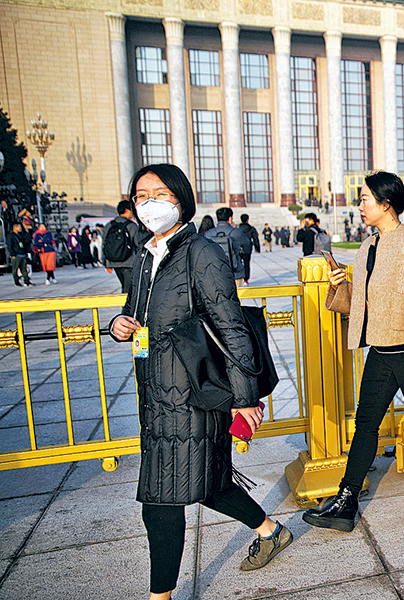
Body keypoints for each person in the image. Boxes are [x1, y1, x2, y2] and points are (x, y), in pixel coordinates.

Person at [109, 164, 292, 600]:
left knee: (161, 500)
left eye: (160, 194)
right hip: (155, 392)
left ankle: (160, 597)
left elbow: (232, 328)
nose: (149, 203)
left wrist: (244, 397)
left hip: (196, 390)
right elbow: (134, 312)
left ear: (181, 200)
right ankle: (271, 531)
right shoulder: (142, 257)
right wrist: (118, 323)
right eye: (141, 195)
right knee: (208, 482)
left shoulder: (201, 253)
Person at [302, 171, 404, 531]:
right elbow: (366, 304)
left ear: (386, 203)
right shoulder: (369, 245)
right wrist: (343, 285)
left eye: (365, 199)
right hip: (380, 353)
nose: (360, 205)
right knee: (366, 426)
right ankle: (346, 502)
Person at [205, 207, 250, 286]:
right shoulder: (236, 232)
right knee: (237, 296)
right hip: (234, 272)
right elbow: (247, 246)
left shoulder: (208, 234)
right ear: (230, 218)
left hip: (215, 273)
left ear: (217, 218)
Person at [104, 200, 141, 291]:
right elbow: (138, 244)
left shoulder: (109, 225)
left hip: (114, 261)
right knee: (129, 288)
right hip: (129, 262)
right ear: (126, 210)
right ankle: (127, 305)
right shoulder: (131, 226)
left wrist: (106, 263)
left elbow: (104, 245)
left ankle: (125, 304)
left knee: (124, 285)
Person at [237, 214, 260, 285]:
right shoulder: (251, 228)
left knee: (238, 263)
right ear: (247, 219)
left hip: (238, 247)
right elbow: (255, 238)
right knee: (247, 264)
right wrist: (257, 248)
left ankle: (239, 277)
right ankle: (246, 279)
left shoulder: (237, 228)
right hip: (247, 248)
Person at [9, 222, 33, 287]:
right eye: (19, 227)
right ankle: (17, 282)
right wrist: (12, 254)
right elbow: (10, 245)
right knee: (15, 269)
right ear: (15, 227)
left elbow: (24, 244)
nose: (20, 228)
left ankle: (26, 281)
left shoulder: (20, 235)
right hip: (16, 254)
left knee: (24, 269)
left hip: (22, 254)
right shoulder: (11, 236)